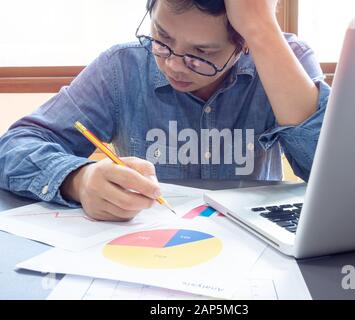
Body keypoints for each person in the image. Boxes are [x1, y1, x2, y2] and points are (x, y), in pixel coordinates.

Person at [0, 0, 330, 222]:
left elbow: (332, 176)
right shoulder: (122, 67)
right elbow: (14, 146)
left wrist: (261, 29)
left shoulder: (282, 58)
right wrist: (78, 178)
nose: (173, 64)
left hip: (257, 253)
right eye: (161, 37)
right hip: (146, 249)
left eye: (201, 53)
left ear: (243, 45)